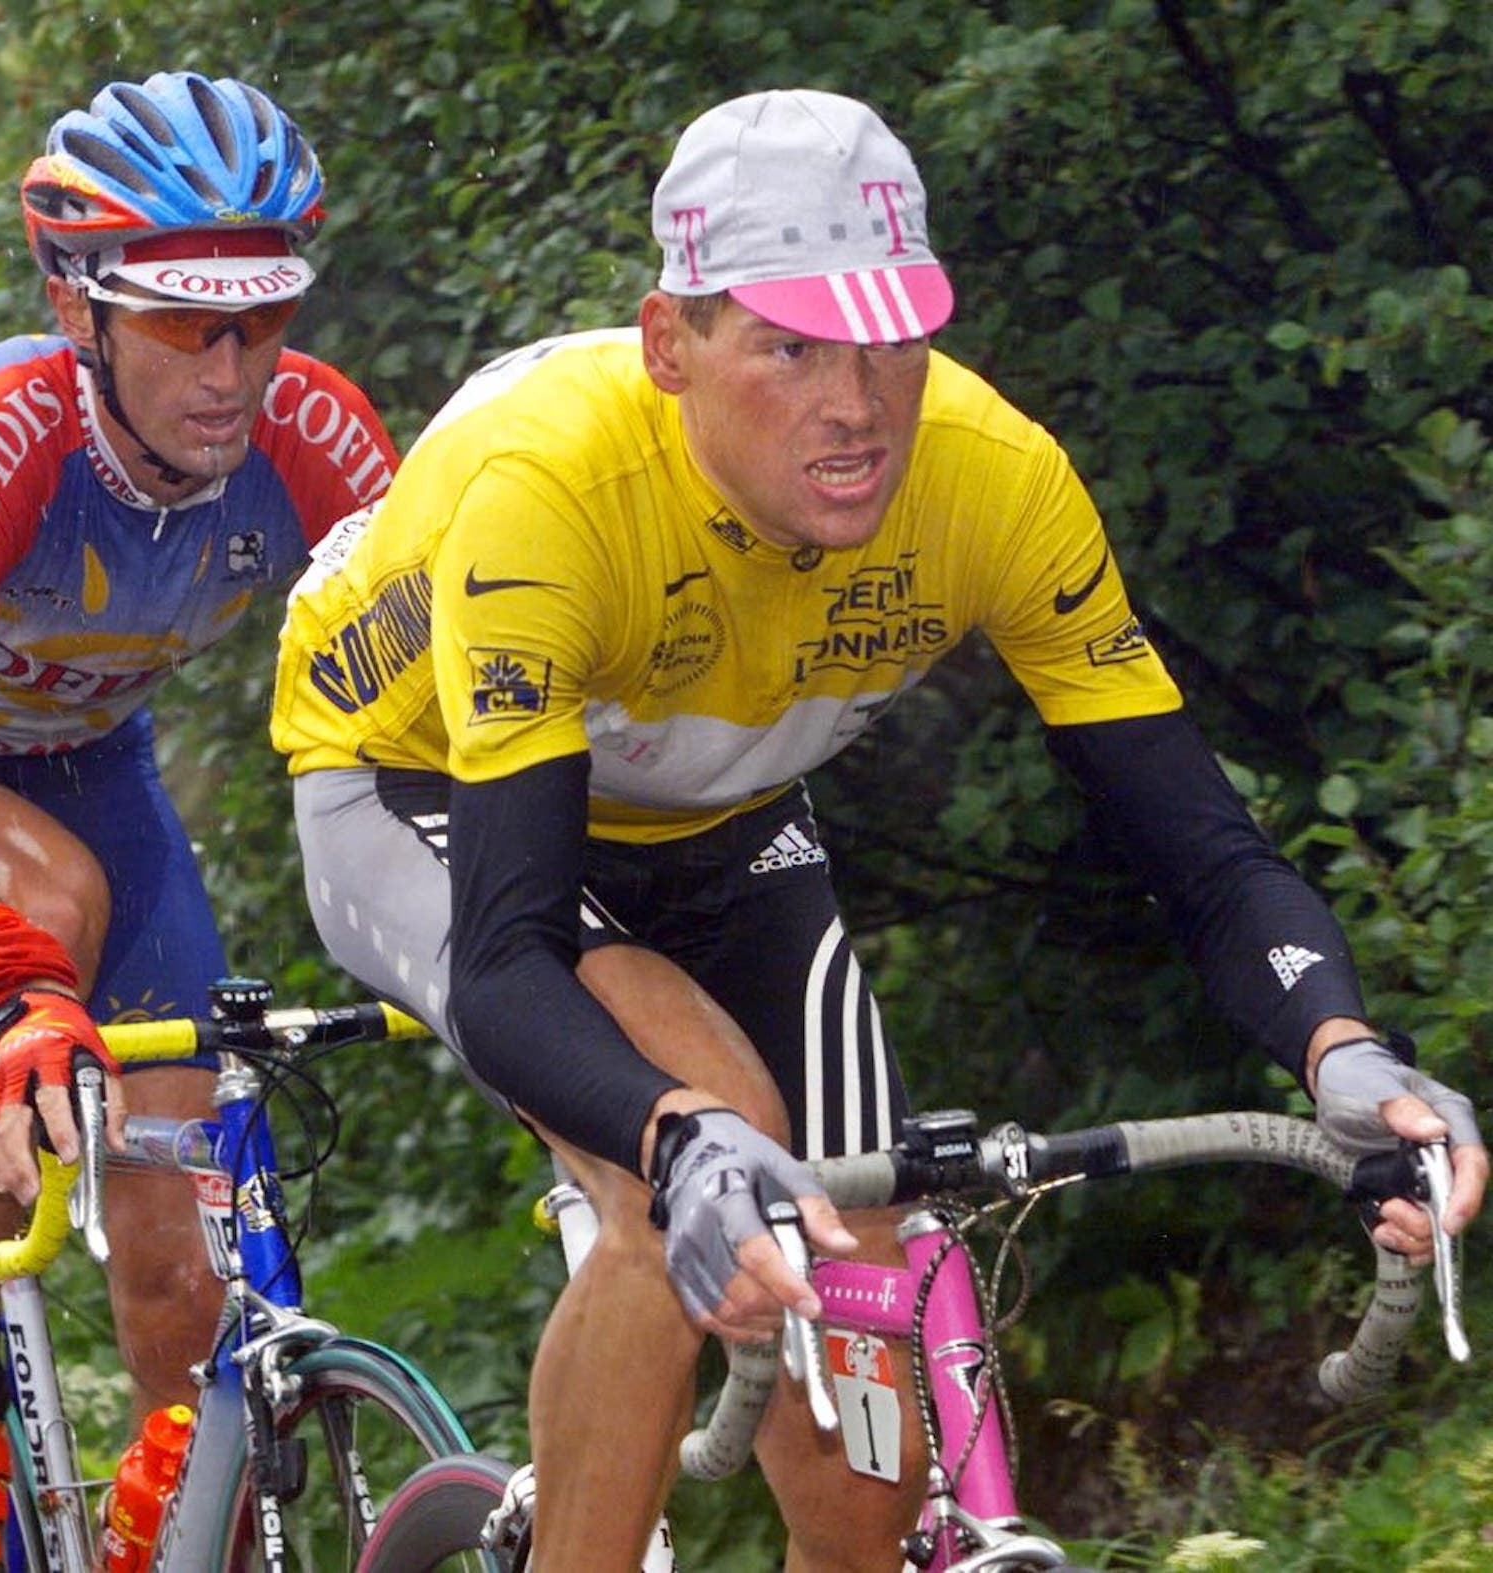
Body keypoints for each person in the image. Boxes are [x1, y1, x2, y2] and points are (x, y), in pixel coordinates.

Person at [270, 88, 1488, 1572]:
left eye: (893, 337)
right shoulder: (553, 489)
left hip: (720, 816)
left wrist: (1341, 1051)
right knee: (702, 1138)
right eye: (788, 345)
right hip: (419, 785)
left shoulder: (996, 480)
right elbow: (515, 953)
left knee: (866, 1459)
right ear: (672, 347)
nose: (856, 403)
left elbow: (1206, 855)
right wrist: (677, 1139)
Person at [0, 71, 396, 1571]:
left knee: (183, 1266)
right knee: (39, 918)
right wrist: (12, 990)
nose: (232, 370)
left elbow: (446, 712)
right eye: (182, 322)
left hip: (87, 760)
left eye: (263, 318)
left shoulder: (319, 438)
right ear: (78, 303)